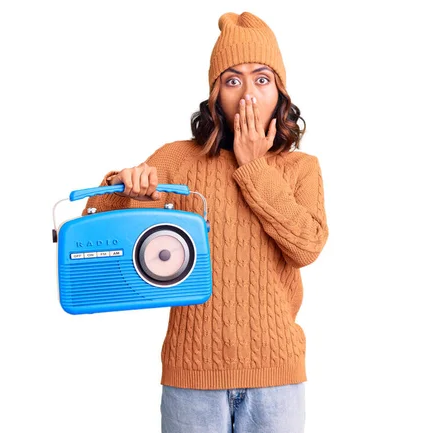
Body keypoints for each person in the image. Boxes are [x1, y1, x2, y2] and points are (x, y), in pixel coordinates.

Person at [82, 11, 329, 433]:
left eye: (262, 79)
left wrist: (253, 166)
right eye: (232, 80)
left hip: (277, 380)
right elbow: (93, 219)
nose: (247, 94)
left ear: (281, 92)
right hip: (191, 378)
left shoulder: (301, 168)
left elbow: (306, 247)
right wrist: (124, 188)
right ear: (215, 95)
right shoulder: (178, 159)